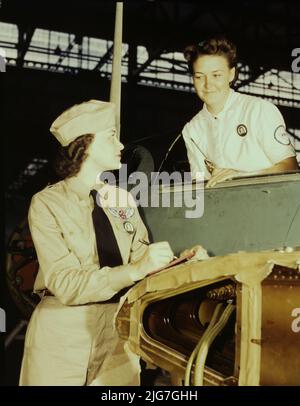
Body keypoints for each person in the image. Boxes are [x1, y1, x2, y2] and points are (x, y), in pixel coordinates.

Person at [19, 99, 175, 386]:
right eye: (112, 136)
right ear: (86, 144)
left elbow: (143, 262)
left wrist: (183, 263)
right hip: (64, 335)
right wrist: (134, 270)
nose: (121, 145)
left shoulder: (121, 200)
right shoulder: (47, 203)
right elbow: (64, 282)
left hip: (118, 332)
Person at [182, 36, 299, 187]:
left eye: (216, 75)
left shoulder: (259, 110)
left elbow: (291, 168)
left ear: (231, 74)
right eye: (199, 77)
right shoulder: (192, 130)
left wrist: (241, 177)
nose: (207, 84)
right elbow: (199, 186)